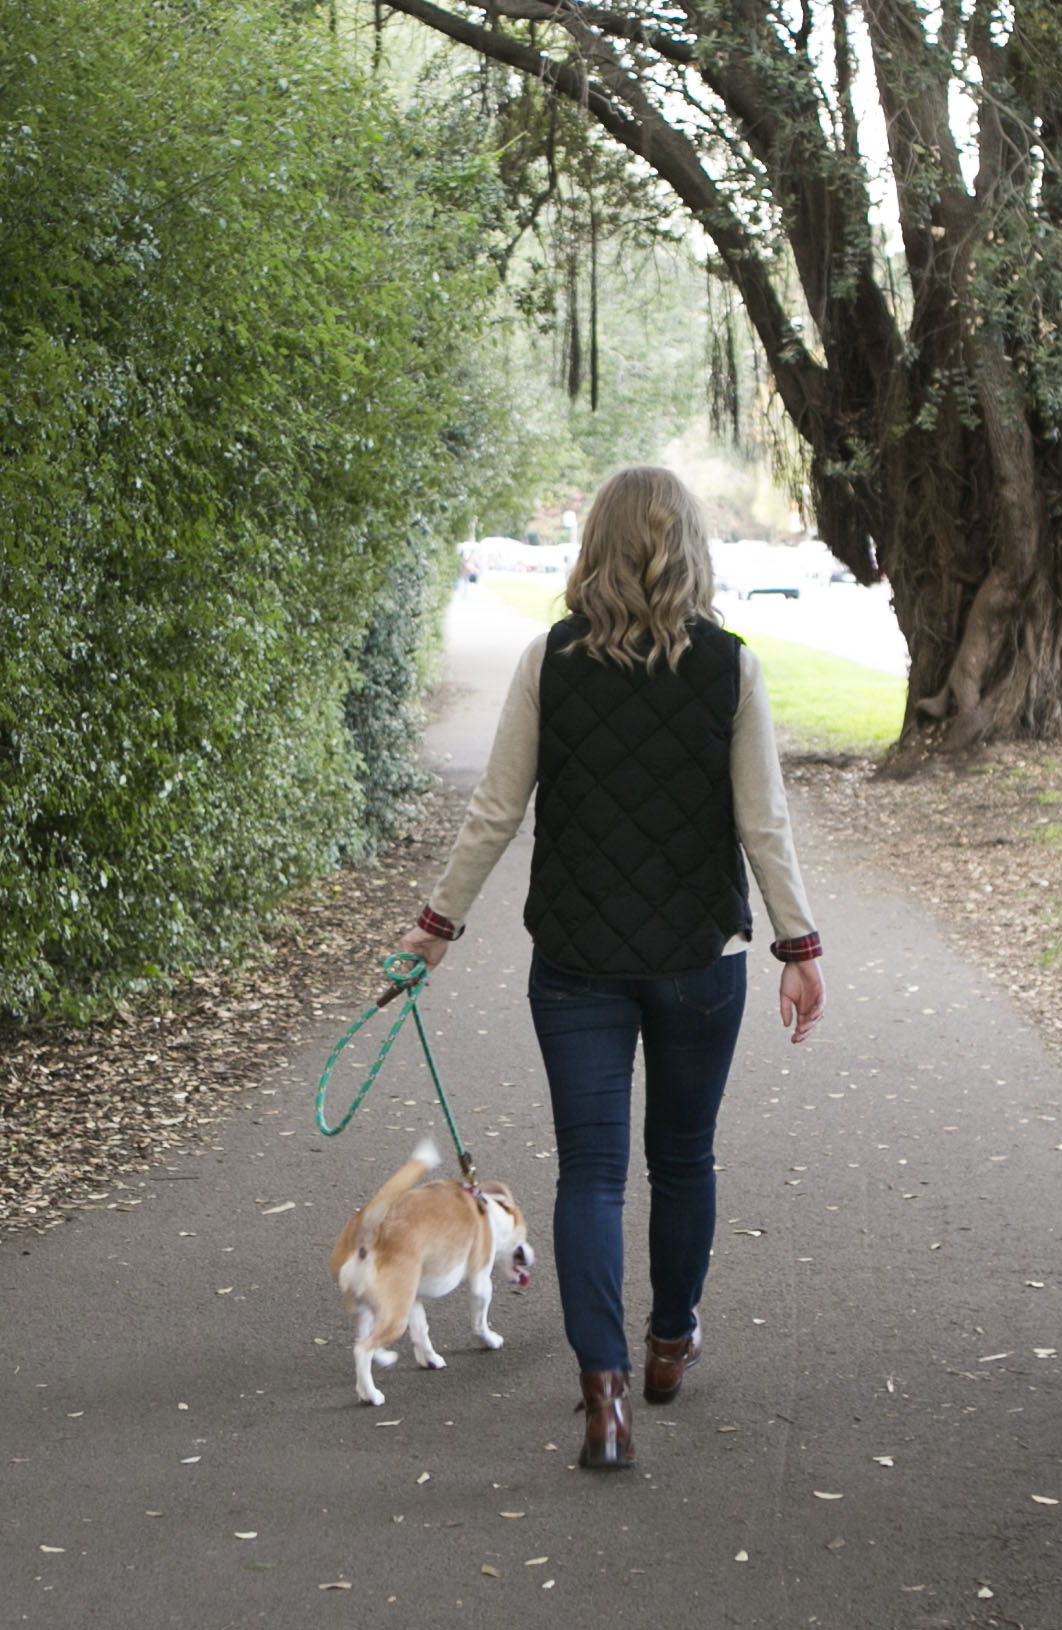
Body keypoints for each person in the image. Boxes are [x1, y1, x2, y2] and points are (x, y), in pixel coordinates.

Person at [395, 466, 824, 1472]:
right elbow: (761, 819)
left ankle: (604, 1397)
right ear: (691, 552)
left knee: (590, 1175)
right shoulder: (731, 667)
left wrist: (436, 924)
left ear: (594, 546)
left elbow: (496, 808)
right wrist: (796, 946)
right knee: (683, 1159)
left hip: (577, 962)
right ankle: (669, 1337)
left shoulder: (551, 662)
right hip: (697, 960)